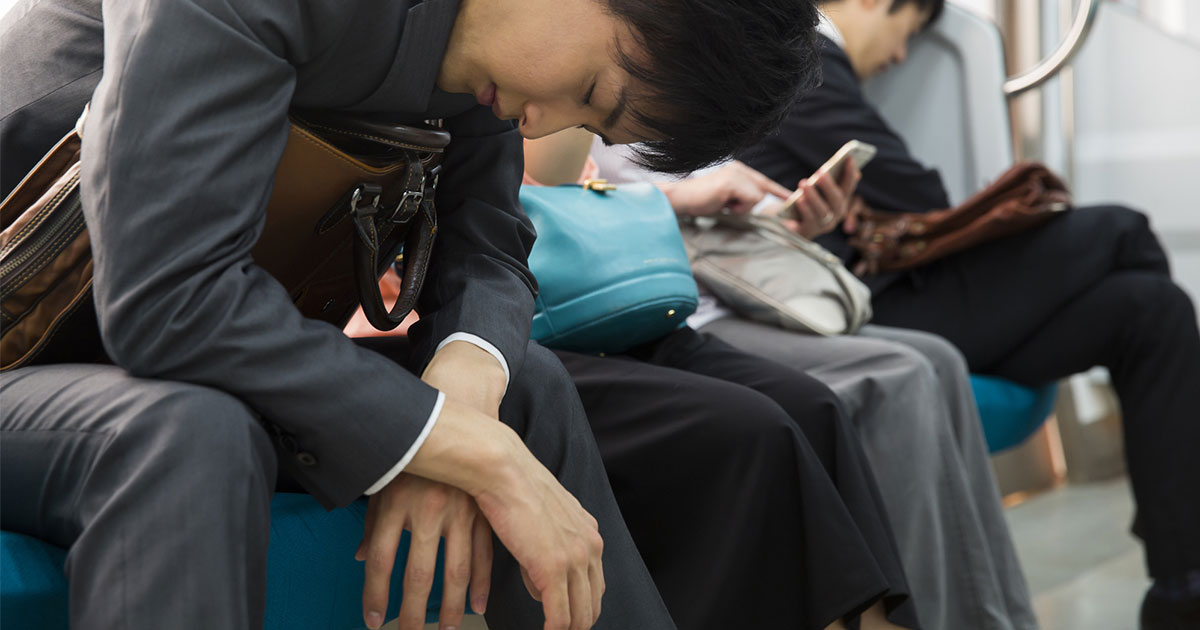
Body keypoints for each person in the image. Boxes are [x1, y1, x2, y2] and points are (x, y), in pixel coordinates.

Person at [0, 0, 828, 629]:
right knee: (184, 429)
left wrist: (461, 402)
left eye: (587, 121)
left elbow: (493, 243)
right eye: (588, 91)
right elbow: (166, 295)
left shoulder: (484, 53)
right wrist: (459, 449)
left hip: (158, 344)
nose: (542, 123)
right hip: (27, 356)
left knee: (522, 381)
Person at [741, 0, 1200, 628]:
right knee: (1123, 230)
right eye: (906, 32)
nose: (901, 54)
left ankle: (1182, 583)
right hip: (866, 307)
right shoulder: (800, 57)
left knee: (1152, 309)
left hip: (886, 290)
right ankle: (1175, 520)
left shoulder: (802, 63)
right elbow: (916, 193)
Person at [527, 128, 1036, 630]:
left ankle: (989, 619)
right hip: (644, 295)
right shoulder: (572, 96)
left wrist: (779, 218)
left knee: (878, 382)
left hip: (695, 288)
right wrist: (678, 197)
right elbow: (560, 191)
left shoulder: (680, 77)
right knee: (889, 383)